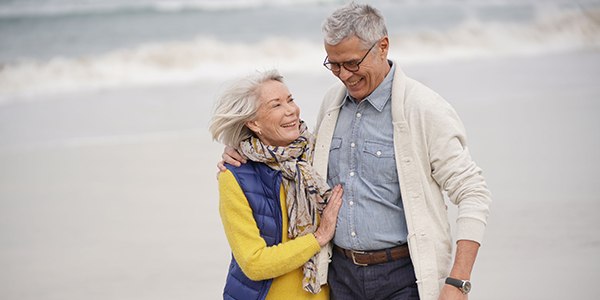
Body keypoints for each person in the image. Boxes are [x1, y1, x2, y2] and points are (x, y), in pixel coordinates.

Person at [220, 2, 492, 300]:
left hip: (404, 277)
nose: (343, 75)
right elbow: (293, 157)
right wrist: (240, 148)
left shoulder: (424, 109)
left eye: (351, 63)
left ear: (383, 47)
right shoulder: (332, 105)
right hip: (339, 278)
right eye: (333, 65)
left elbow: (472, 192)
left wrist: (458, 280)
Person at [209, 69, 343, 300]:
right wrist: (318, 238)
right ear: (253, 123)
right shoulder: (235, 175)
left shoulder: (317, 154)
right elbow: (254, 263)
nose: (291, 110)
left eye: (290, 100)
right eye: (276, 105)